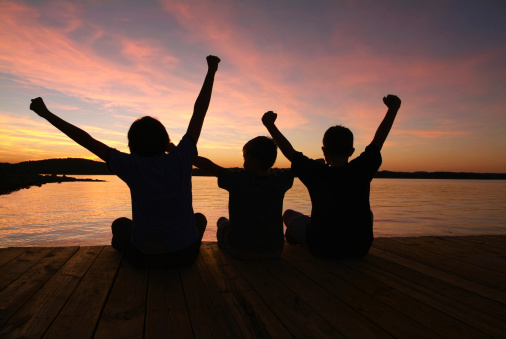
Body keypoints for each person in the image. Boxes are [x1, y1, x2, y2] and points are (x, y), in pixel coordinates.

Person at [29, 55, 221, 267]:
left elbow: (86, 140)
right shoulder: (182, 157)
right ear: (165, 140)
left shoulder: (131, 165)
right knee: (200, 219)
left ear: (132, 144)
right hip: (185, 256)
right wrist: (211, 70)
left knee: (120, 225)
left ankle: (126, 247)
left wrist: (46, 114)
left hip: (144, 258)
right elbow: (199, 111)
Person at [262, 95, 401, 258]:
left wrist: (270, 125)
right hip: (359, 248)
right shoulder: (362, 168)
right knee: (368, 215)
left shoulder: (315, 172)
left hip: (321, 246)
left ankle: (296, 237)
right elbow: (378, 141)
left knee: (288, 215)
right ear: (351, 152)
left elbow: (290, 152)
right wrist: (393, 110)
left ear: (324, 151)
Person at [194, 136, 294, 259]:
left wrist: (180, 152)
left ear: (250, 160)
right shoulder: (280, 179)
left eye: (245, 158)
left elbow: (209, 166)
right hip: (274, 251)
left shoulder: (237, 179)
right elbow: (303, 164)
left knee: (222, 221)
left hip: (239, 250)